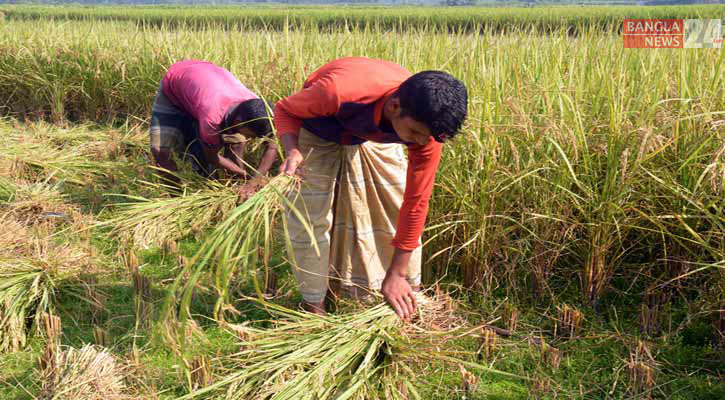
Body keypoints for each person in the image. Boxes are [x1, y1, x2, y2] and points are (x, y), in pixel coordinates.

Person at [274, 57, 467, 320]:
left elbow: (416, 202)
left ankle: (409, 297)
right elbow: (285, 110)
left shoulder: (426, 131)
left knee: (392, 204)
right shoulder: (336, 93)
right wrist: (292, 150)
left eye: (427, 137)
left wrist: (398, 273)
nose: (421, 143)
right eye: (415, 133)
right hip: (319, 126)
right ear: (395, 106)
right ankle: (314, 311)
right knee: (310, 217)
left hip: (370, 130)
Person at [149, 60, 277, 181]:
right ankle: (176, 197)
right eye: (249, 135)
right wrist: (245, 175)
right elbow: (213, 157)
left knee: (237, 141)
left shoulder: (261, 111)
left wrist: (257, 178)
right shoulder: (212, 119)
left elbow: (272, 147)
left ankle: (227, 180)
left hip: (205, 85)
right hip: (175, 86)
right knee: (160, 152)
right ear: (238, 121)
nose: (251, 138)